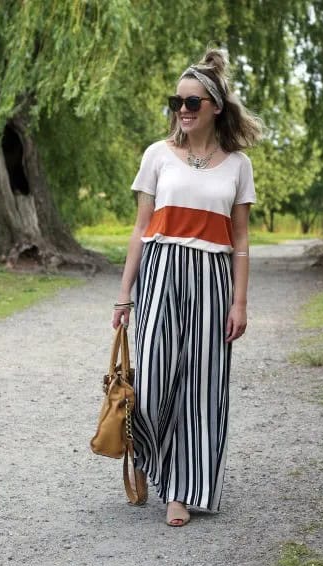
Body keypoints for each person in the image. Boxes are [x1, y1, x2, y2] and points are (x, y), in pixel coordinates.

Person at [112, 48, 262, 527]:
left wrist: (239, 301)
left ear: (215, 106)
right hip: (160, 272)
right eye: (176, 100)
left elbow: (240, 240)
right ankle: (148, 457)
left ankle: (182, 490)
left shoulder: (238, 165)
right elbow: (140, 229)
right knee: (153, 381)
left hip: (213, 279)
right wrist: (124, 294)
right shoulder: (158, 155)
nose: (182, 109)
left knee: (202, 388)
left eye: (193, 102)